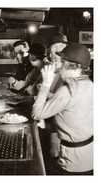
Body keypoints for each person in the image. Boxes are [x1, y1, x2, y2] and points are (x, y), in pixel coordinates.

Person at [32, 43, 93, 175]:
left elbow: (36, 114)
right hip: (90, 157)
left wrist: (46, 84)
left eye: (62, 62)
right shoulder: (90, 85)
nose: (59, 66)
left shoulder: (67, 90)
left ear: (72, 65)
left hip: (73, 162)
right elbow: (75, 118)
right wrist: (48, 126)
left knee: (36, 170)